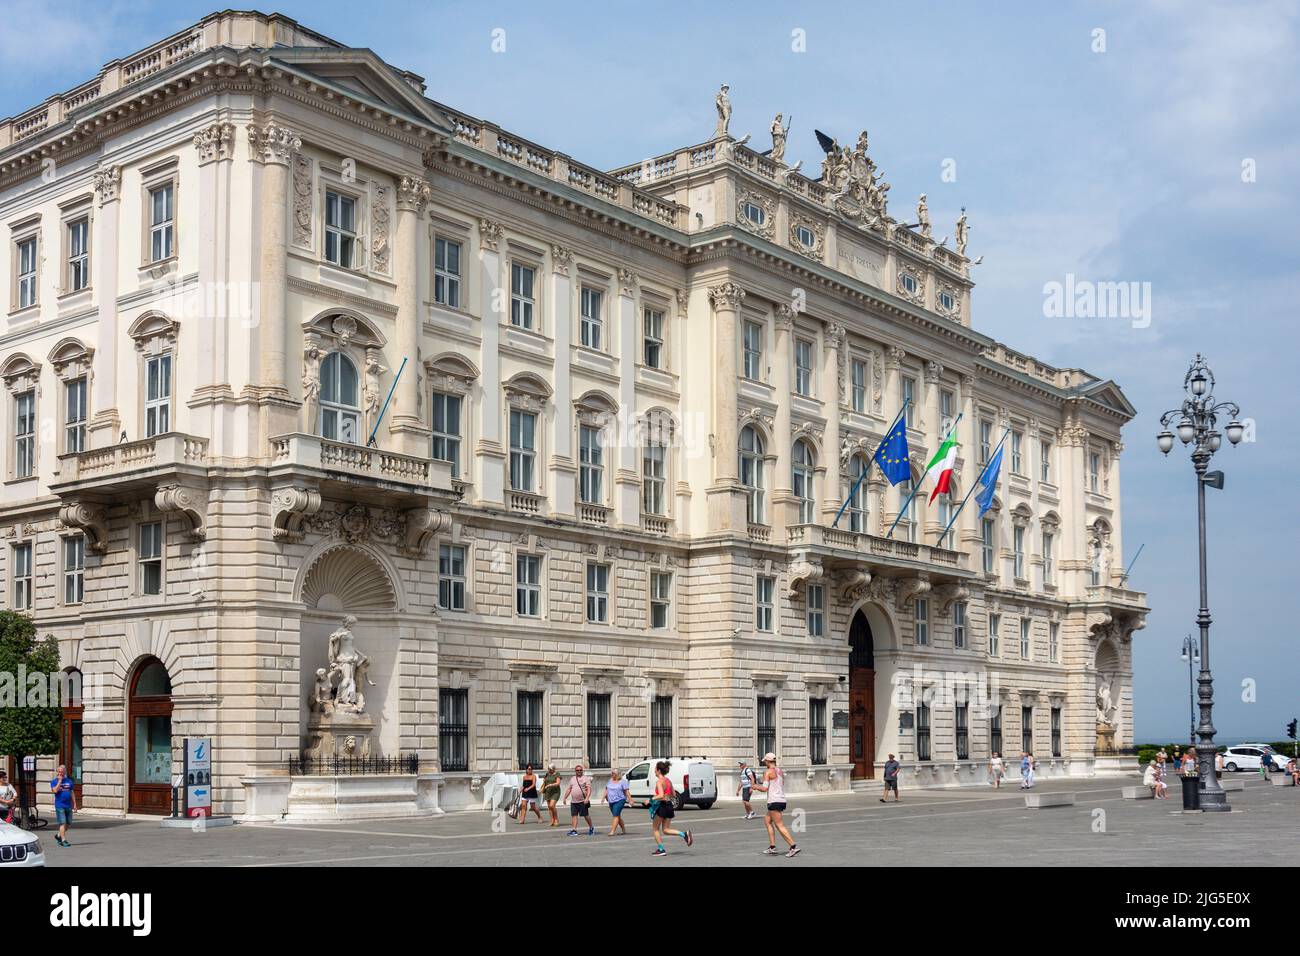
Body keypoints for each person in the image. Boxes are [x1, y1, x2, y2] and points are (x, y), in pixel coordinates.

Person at [752, 753, 799, 857]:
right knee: (767, 820)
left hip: (774, 801)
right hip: (781, 799)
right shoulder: (779, 771)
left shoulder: (767, 772)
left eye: (765, 761)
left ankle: (793, 846)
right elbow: (779, 784)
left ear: (768, 761)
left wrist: (755, 787)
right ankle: (772, 847)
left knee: (779, 825)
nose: (764, 763)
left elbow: (764, 789)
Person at [649, 760, 693, 856]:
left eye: (655, 769)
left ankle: (661, 849)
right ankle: (684, 834)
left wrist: (651, 799)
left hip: (662, 806)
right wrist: (666, 796)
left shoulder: (659, 782)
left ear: (658, 771)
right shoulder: (668, 781)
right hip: (669, 805)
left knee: (655, 828)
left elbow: (660, 795)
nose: (654, 771)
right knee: (665, 829)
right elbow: (673, 794)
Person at [50, 764, 77, 847]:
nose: (60, 773)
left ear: (65, 772)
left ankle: (58, 836)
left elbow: (72, 793)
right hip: (59, 805)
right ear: (57, 772)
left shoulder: (69, 781)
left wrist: (75, 804)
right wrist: (60, 781)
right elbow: (55, 791)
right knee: (63, 823)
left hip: (68, 805)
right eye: (59, 771)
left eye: (62, 771)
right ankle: (63, 840)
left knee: (68, 823)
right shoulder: (54, 781)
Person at [564, 764, 595, 836]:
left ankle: (591, 827)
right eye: (577, 770)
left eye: (580, 770)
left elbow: (589, 789)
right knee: (574, 815)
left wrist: (587, 798)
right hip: (574, 801)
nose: (579, 771)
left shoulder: (585, 778)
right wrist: (565, 797)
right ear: (575, 771)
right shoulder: (572, 779)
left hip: (582, 801)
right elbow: (569, 789)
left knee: (585, 815)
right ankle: (574, 830)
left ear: (582, 771)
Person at [603, 769, 630, 836]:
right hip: (611, 801)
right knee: (617, 816)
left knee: (615, 815)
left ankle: (612, 831)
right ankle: (623, 830)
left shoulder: (623, 782)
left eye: (613, 773)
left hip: (620, 800)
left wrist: (630, 799)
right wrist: (603, 797)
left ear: (618, 774)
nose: (612, 774)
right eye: (612, 773)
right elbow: (607, 789)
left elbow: (626, 791)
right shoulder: (610, 781)